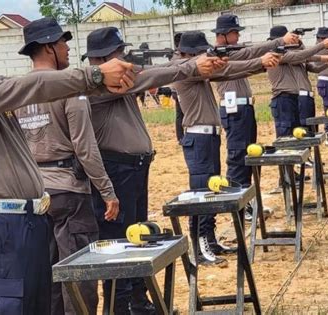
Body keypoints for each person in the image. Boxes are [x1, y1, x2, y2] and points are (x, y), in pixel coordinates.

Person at [0, 21, 135, 315]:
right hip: (3, 226)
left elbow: (36, 86)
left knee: (41, 304)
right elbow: (32, 85)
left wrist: (185, 69)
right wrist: (96, 74)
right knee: (10, 307)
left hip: (29, 217)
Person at [83, 26, 225, 314]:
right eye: (118, 54)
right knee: (120, 245)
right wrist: (189, 65)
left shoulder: (116, 81)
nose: (125, 59)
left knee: (137, 239)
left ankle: (138, 300)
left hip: (133, 168)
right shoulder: (100, 85)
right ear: (105, 59)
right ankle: (120, 307)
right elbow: (151, 76)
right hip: (117, 169)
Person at [13, 18, 120, 315]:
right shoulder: (69, 88)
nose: (68, 48)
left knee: (47, 275)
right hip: (69, 192)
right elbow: (85, 147)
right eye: (62, 42)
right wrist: (108, 191)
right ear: (49, 47)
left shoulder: (19, 89)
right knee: (79, 273)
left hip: (35, 193)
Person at [174, 30, 281, 264]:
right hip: (198, 138)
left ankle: (209, 240)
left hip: (207, 137)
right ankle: (199, 244)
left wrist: (258, 66)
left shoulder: (192, 69)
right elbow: (228, 70)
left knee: (211, 191)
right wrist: (259, 62)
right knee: (200, 195)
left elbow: (230, 70)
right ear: (189, 54)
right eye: (201, 53)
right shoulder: (185, 69)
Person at [211, 14, 298, 221]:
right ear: (222, 35)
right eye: (234, 32)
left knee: (247, 157)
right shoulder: (220, 54)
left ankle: (246, 201)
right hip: (235, 111)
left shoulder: (231, 52)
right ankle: (239, 207)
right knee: (238, 159)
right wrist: (278, 42)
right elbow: (251, 53)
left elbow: (249, 57)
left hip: (243, 110)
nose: (238, 36)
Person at [267, 25, 328, 139]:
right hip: (283, 98)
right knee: (287, 135)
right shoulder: (275, 53)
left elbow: (308, 61)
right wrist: (322, 47)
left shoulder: (292, 54)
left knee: (302, 133)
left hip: (294, 97)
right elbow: (301, 55)